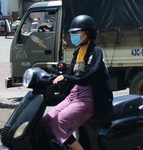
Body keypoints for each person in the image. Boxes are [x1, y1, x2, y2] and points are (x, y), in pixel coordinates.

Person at [41, 14, 113, 150]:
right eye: (72, 33)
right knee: (46, 121)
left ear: (87, 33)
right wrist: (53, 77)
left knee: (59, 122)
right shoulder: (78, 52)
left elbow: (90, 77)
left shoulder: (96, 52)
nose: (73, 36)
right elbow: (70, 73)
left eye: (76, 33)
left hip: (90, 97)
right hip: (75, 94)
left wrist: (67, 78)